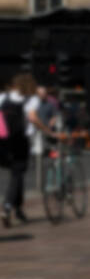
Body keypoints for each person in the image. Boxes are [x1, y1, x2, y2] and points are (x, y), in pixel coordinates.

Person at [0, 73, 38, 227]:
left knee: (18, 174)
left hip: (2, 141)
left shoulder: (3, 97)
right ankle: (8, 206)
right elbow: (33, 119)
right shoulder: (30, 99)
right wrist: (49, 131)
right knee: (17, 174)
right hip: (19, 142)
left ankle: (19, 209)